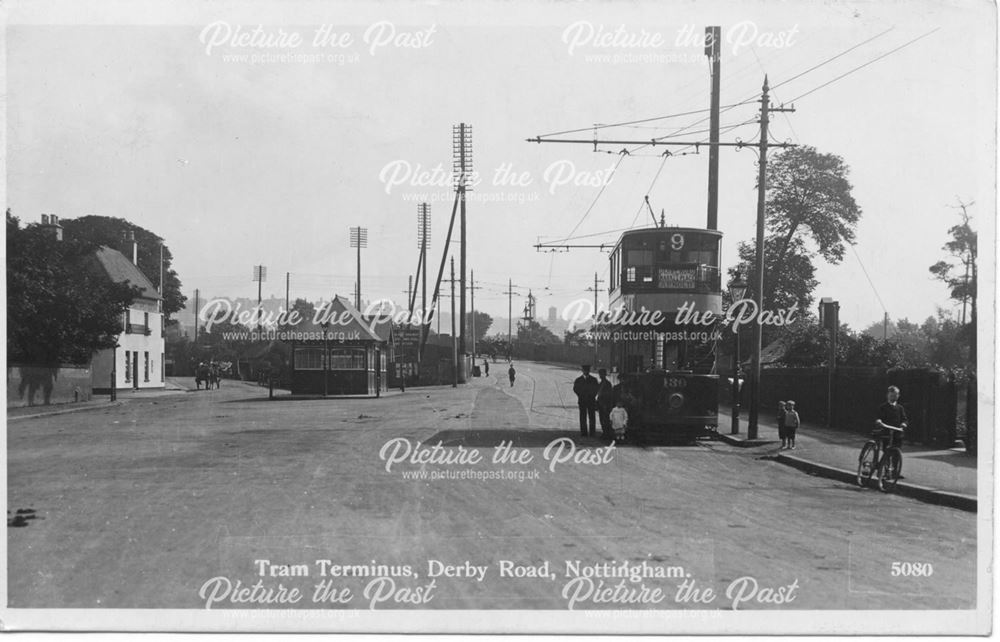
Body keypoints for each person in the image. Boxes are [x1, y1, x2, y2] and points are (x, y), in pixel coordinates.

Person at [874, 385, 908, 471]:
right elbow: (878, 417)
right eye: (892, 395)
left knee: (896, 452)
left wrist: (904, 424)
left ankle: (895, 471)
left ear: (898, 395)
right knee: (887, 451)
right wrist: (879, 421)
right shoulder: (883, 407)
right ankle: (886, 470)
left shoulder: (900, 408)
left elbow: (904, 419)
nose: (894, 397)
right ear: (888, 395)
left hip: (897, 433)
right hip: (887, 433)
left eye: (896, 395)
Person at [572, 365, 600, 437]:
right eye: (585, 371)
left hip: (591, 400)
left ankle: (592, 432)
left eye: (587, 371)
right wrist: (580, 395)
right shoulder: (578, 380)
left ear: (589, 371)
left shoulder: (593, 380)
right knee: (582, 417)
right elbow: (575, 389)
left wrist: (592, 395)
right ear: (582, 371)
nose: (586, 372)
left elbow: (596, 389)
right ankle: (583, 432)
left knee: (592, 417)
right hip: (582, 400)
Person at [596, 368, 615, 439]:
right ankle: (605, 432)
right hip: (601, 403)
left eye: (601, 374)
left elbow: (609, 395)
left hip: (605, 404)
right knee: (602, 419)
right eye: (600, 374)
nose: (600, 376)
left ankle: (607, 433)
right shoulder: (601, 383)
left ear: (604, 375)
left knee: (605, 419)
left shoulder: (607, 384)